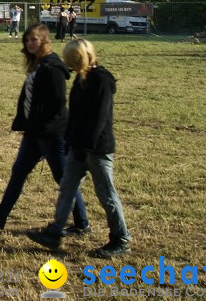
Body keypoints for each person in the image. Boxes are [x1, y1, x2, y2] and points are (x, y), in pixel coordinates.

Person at [0, 23, 88, 233]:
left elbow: (58, 104)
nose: (29, 43)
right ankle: (0, 216)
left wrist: (44, 128)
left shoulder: (53, 67)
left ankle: (82, 224)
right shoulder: (39, 64)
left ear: (44, 40)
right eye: (27, 40)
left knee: (63, 178)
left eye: (33, 39)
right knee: (19, 172)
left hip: (51, 134)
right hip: (34, 133)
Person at [29, 38, 132, 258]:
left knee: (106, 194)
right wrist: (70, 142)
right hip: (77, 147)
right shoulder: (80, 79)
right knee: (67, 187)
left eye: (72, 61)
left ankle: (121, 238)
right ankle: (54, 232)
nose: (69, 66)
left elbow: (99, 119)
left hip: (97, 149)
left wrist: (86, 146)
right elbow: (74, 115)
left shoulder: (101, 81)